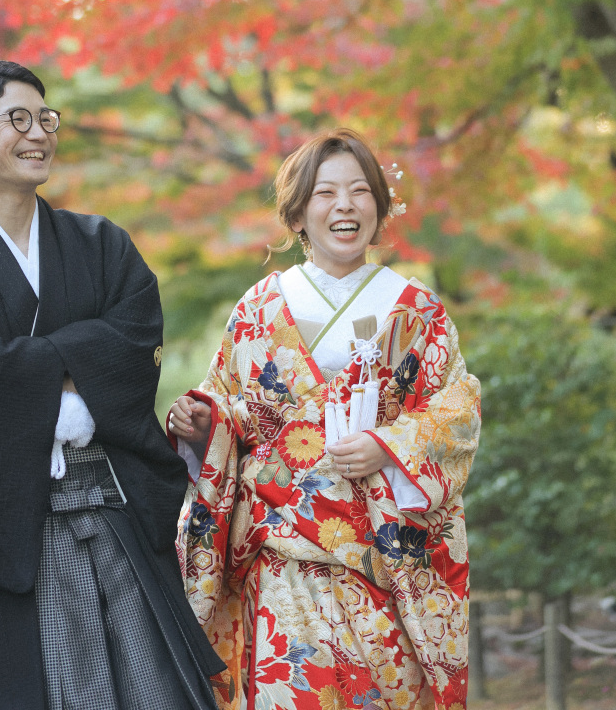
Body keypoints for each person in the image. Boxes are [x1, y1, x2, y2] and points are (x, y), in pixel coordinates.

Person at [0, 59, 223, 710]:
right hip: (0, 525)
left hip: (111, 505)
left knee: (150, 690)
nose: (39, 132)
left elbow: (133, 345)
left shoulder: (102, 244)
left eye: (46, 118)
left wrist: (19, 366)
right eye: (17, 119)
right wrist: (76, 360)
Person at [168, 128, 481, 710]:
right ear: (297, 215)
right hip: (283, 556)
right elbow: (232, 405)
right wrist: (203, 421)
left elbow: (456, 409)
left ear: (380, 208)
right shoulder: (259, 307)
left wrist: (388, 445)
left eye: (360, 191)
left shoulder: (416, 309)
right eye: (326, 193)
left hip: (382, 554)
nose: (345, 205)